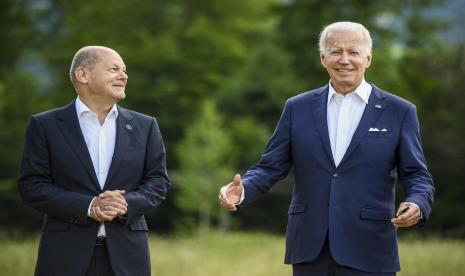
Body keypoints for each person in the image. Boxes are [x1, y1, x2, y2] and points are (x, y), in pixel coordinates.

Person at [219, 21, 434, 275]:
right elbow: (269, 167)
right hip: (310, 249)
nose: (344, 60)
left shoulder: (400, 111)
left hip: (370, 247)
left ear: (368, 58)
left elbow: (417, 175)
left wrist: (417, 203)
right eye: (335, 51)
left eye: (353, 52)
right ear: (323, 58)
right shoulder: (297, 108)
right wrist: (242, 190)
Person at [18, 46, 170, 276]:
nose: (124, 75)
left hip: (128, 258)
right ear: (83, 75)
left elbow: (158, 182)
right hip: (64, 256)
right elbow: (32, 186)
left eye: (124, 70)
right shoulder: (45, 125)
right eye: (113, 69)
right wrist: (89, 206)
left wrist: (125, 204)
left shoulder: (145, 126)